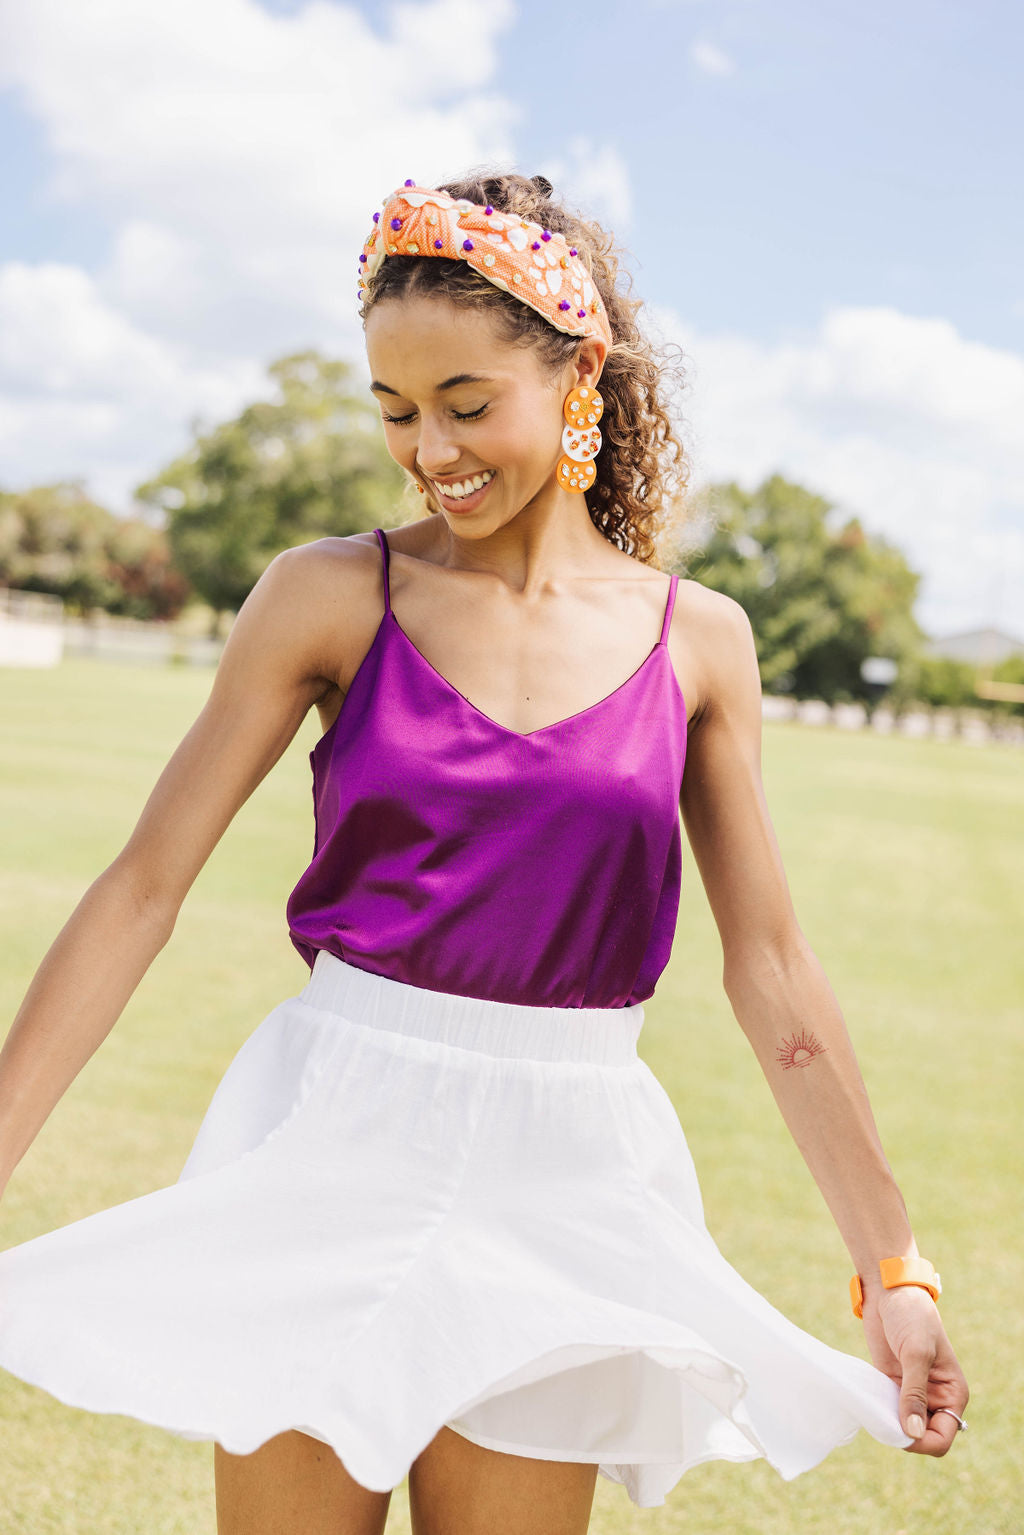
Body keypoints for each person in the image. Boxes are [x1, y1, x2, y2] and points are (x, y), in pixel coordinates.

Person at [0, 171, 968, 1535]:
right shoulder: (328, 594)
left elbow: (775, 974)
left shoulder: (702, 644)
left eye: (467, 404)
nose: (429, 449)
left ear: (579, 374)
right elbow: (140, 892)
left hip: (566, 1170)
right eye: (395, 411)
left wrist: (895, 1272)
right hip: (329, 1131)